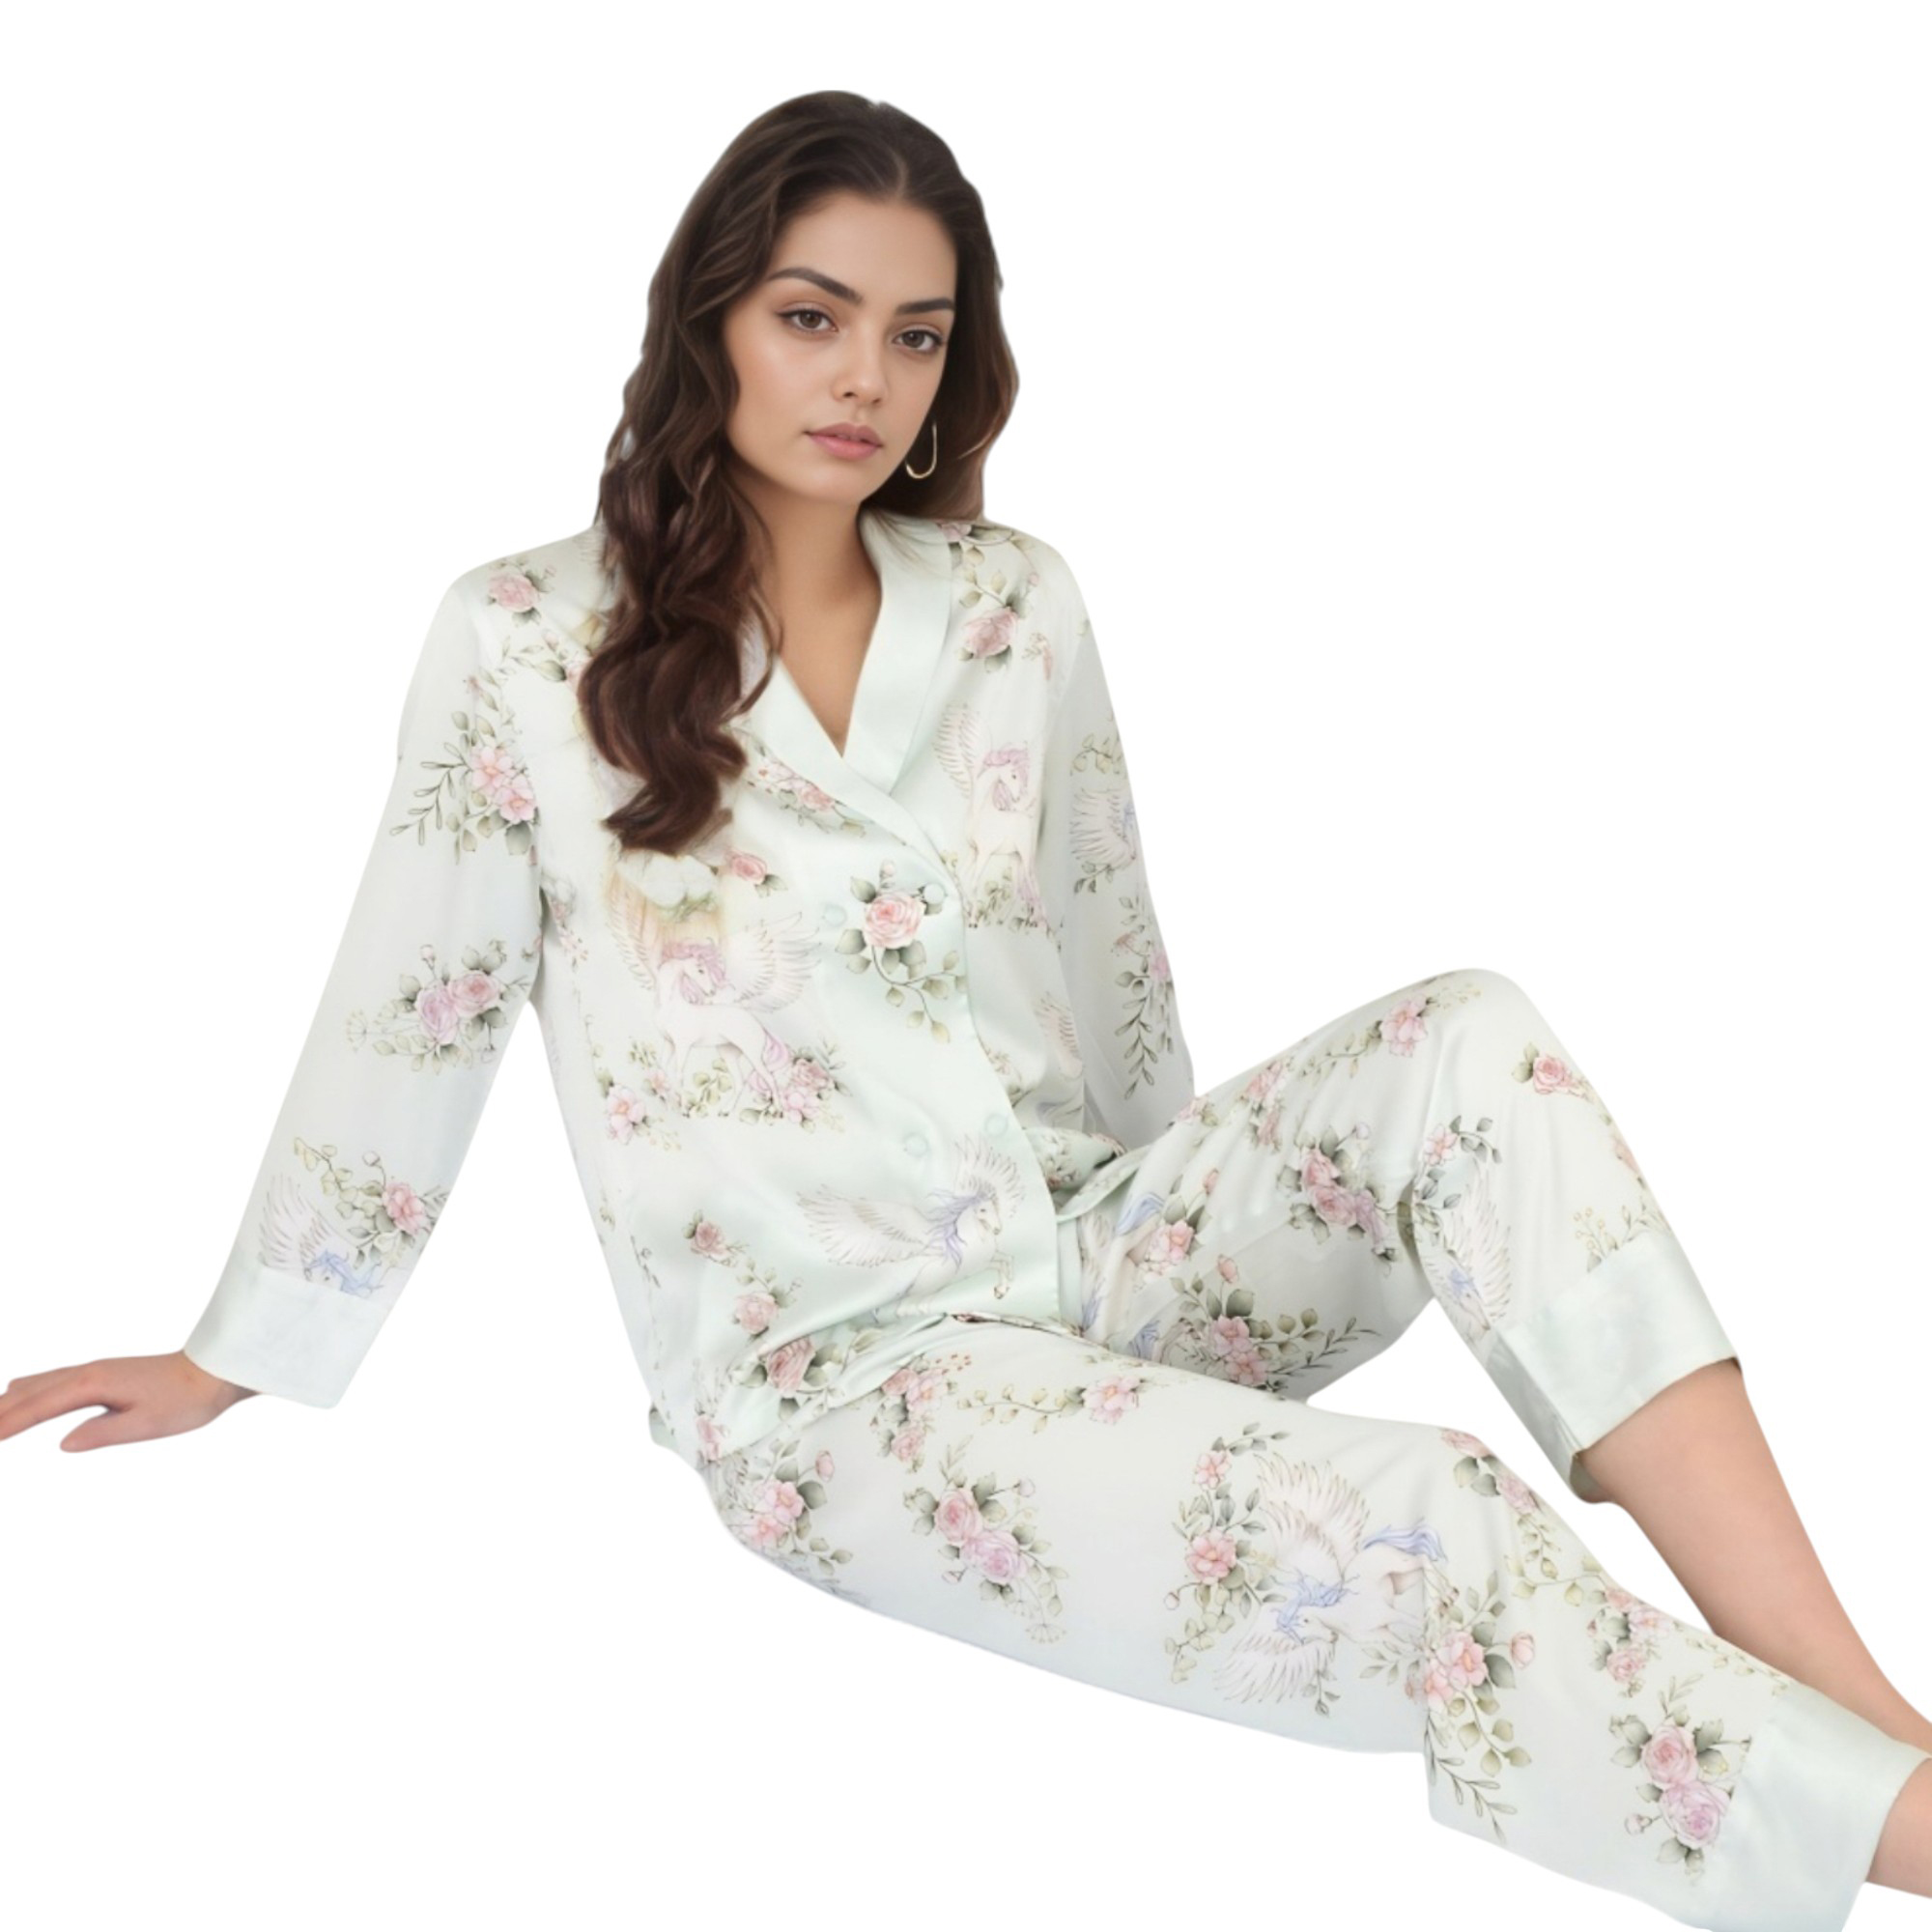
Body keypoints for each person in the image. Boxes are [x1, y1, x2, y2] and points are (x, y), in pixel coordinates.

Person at [3, 88, 1928, 1927]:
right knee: (1427, 1508)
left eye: (915, 336)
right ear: (709, 323)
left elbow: (1112, 955)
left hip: (1082, 1252)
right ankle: (1905, 1830)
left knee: (1474, 1040)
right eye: (812, 317)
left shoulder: (1016, 602)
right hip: (844, 1384)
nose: (865, 377)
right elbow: (406, 1006)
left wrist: (1185, 1234)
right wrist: (236, 1350)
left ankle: (1868, 1712)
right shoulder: (522, 643)